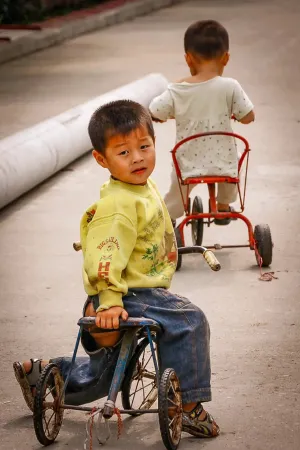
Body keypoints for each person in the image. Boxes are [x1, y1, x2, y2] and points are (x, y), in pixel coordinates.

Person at [13, 100, 219, 438]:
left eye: (144, 146)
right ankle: (189, 406)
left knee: (106, 374)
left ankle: (40, 372)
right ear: (101, 159)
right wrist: (108, 300)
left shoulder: (140, 184)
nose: (137, 158)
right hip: (127, 292)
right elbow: (104, 253)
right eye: (123, 152)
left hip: (135, 289)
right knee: (189, 320)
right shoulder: (118, 205)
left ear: (155, 143)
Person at [149, 19, 255, 225]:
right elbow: (249, 116)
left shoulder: (177, 90)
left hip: (189, 164)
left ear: (188, 59)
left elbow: (154, 111)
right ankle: (223, 207)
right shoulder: (230, 86)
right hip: (222, 162)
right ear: (226, 58)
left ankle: (170, 216)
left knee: (178, 187)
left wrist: (173, 104)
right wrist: (235, 114)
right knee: (232, 168)